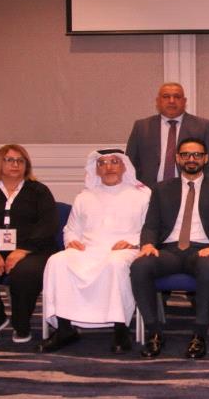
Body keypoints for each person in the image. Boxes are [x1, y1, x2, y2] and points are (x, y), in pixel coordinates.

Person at [130, 137, 209, 359]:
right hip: (169, 251)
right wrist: (147, 243)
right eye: (186, 154)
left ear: (206, 159)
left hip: (203, 249)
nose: (191, 159)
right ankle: (154, 332)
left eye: (197, 155)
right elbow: (151, 225)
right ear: (177, 158)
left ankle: (199, 335)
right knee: (140, 266)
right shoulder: (161, 189)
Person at [38, 149, 150, 354]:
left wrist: (133, 243)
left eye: (114, 162)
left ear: (124, 166)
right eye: (102, 163)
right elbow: (71, 229)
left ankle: (120, 329)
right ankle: (64, 328)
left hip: (126, 249)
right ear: (96, 170)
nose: (108, 167)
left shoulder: (142, 195)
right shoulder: (85, 197)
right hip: (88, 249)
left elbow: (151, 229)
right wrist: (72, 241)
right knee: (57, 261)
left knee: (115, 263)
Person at [0, 144, 58, 343]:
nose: (15, 164)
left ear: (26, 165)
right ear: (0, 163)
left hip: (32, 251)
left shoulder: (39, 191)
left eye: (20, 161)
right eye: (9, 160)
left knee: (25, 273)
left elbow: (48, 224)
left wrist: (23, 250)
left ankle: (21, 324)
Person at [126, 82, 209, 187]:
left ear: (184, 101)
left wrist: (205, 189)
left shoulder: (203, 126)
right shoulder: (142, 127)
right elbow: (130, 162)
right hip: (148, 190)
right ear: (158, 101)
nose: (171, 101)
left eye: (177, 97)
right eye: (166, 97)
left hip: (190, 190)